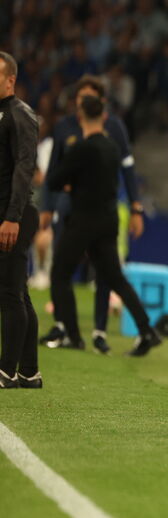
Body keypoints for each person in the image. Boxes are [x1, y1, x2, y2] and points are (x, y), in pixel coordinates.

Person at [45, 95, 161, 357]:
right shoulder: (112, 147)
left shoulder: (82, 148)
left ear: (80, 117)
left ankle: (73, 335)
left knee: (60, 273)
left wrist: (70, 182)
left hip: (83, 219)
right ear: (104, 117)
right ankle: (146, 330)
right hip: (108, 220)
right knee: (115, 278)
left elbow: (53, 180)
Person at [0, 52, 41, 388]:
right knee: (18, 294)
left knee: (10, 294)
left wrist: (12, 217)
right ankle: (29, 372)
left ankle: (6, 371)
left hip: (14, 215)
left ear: (10, 80)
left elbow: (25, 168)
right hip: (4, 214)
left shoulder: (20, 115)